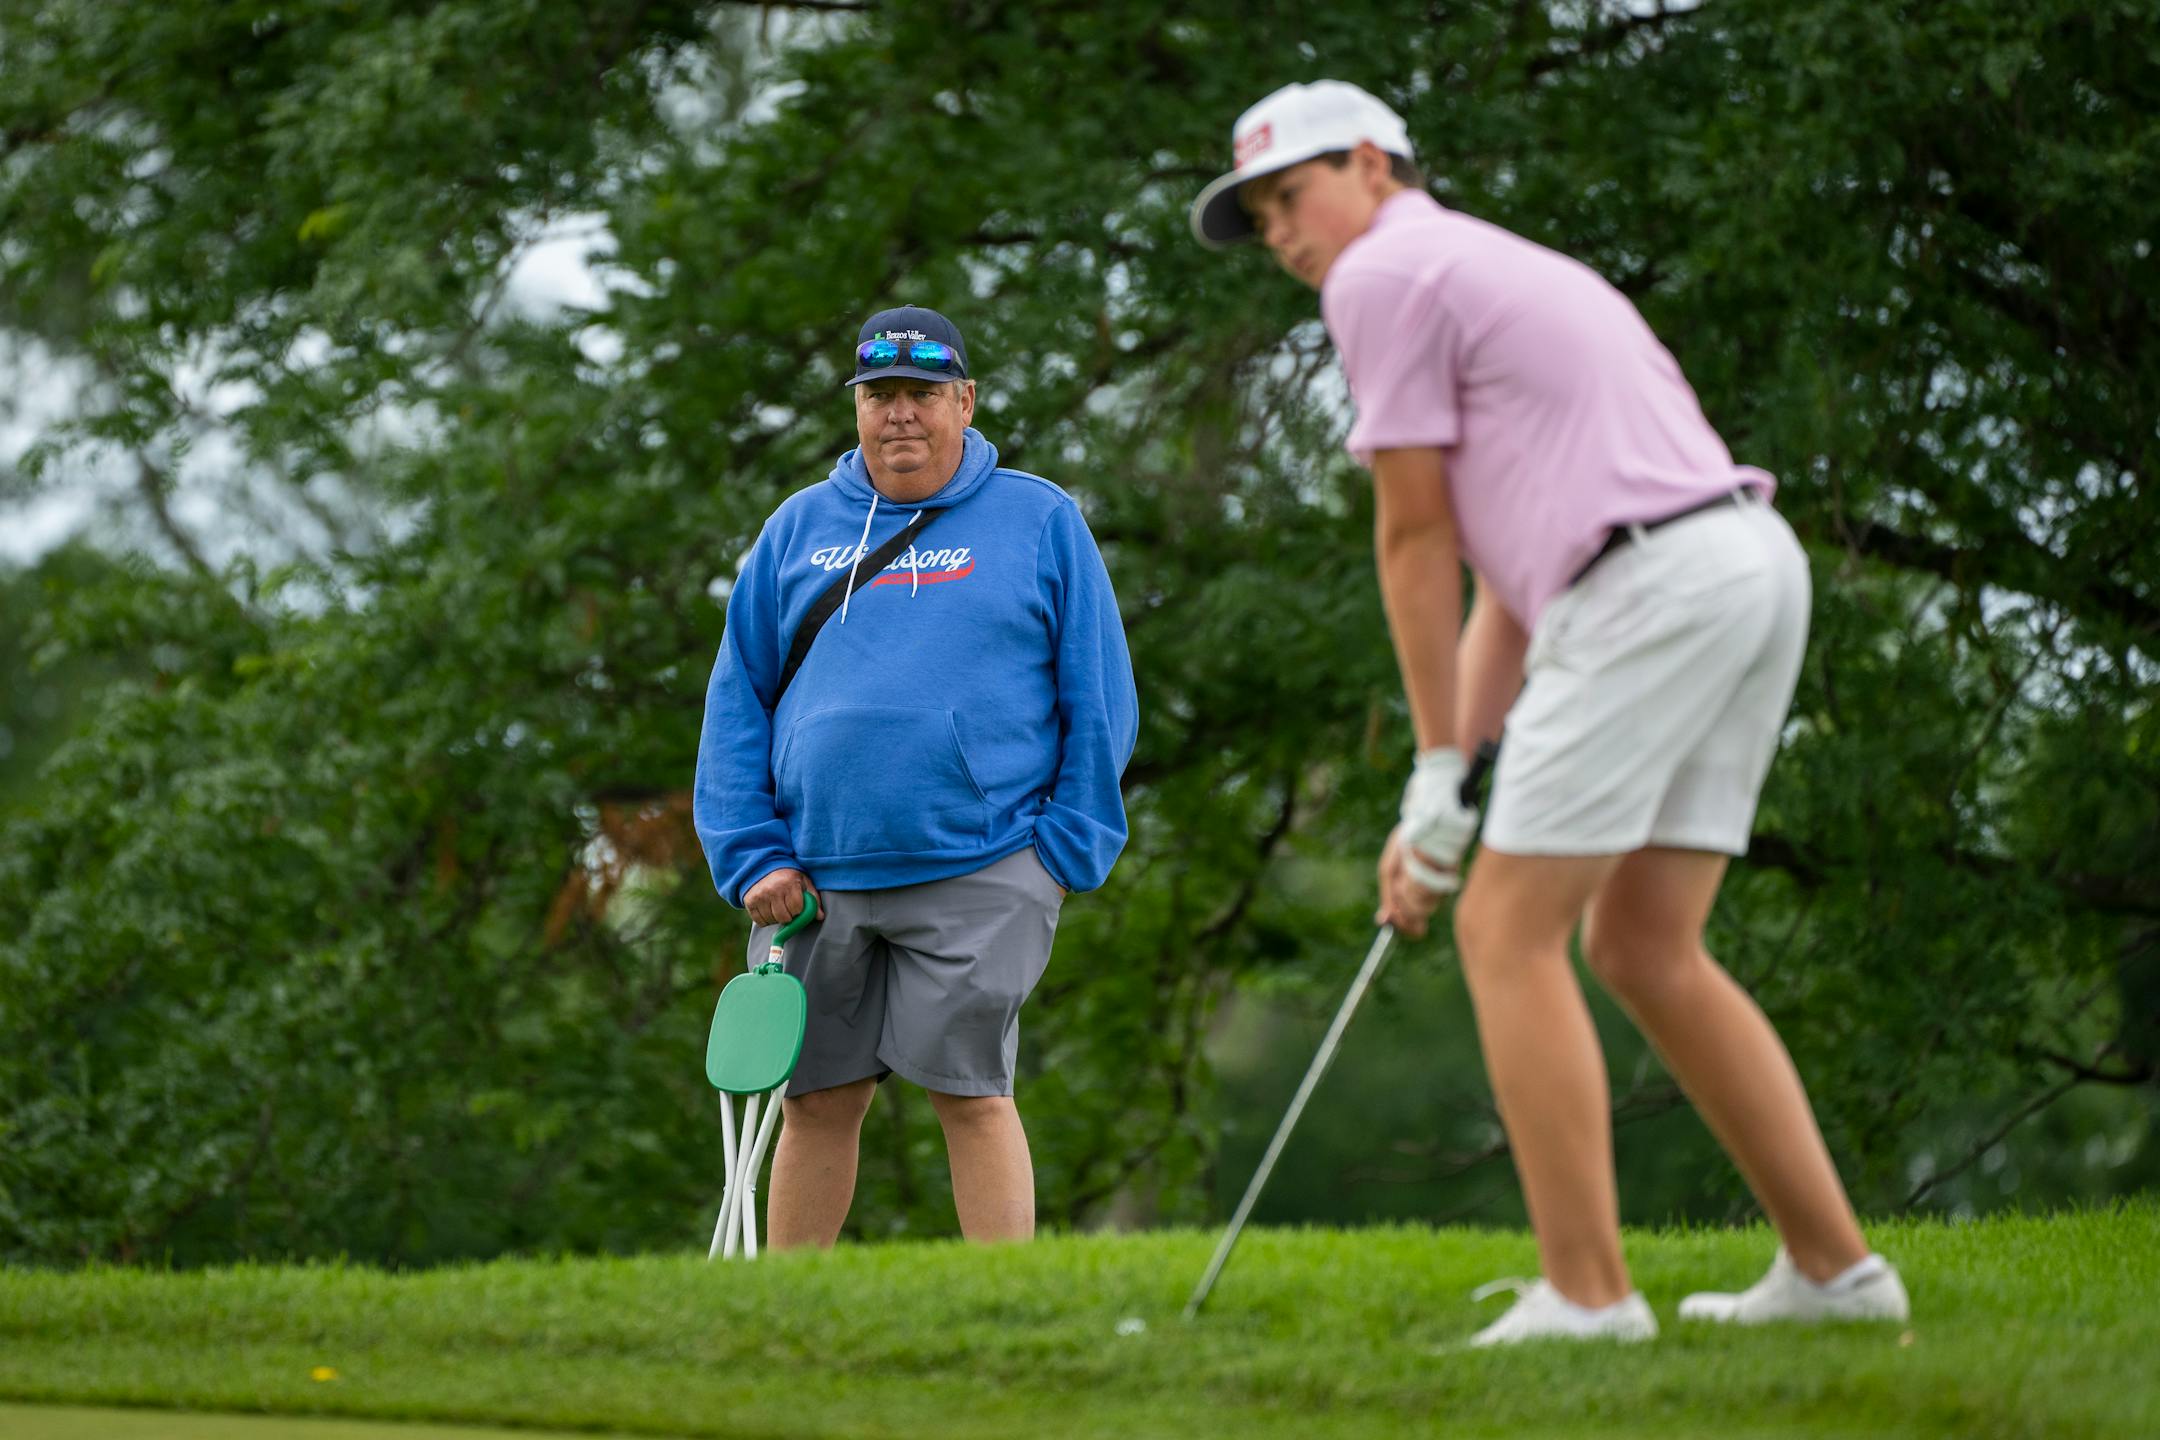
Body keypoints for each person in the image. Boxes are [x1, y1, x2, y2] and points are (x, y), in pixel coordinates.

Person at [1191, 81, 1908, 1345]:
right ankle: (1838, 1274)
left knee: (1508, 929)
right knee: (1641, 945)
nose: (1283, 236)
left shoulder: (1385, 276)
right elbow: (1514, 595)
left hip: (1650, 590)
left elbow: (1414, 538)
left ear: (1370, 164)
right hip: (1739, 568)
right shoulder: (1480, 267)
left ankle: (1588, 1297)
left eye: (1291, 197)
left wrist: (1427, 769)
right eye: (1259, 216)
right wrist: (1452, 787)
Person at [694, 305, 1138, 1247]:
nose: (901, 414)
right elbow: (736, 702)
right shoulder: (796, 529)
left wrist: (1061, 852)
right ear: (857, 408)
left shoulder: (1039, 518)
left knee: (971, 1097)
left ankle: (1000, 1314)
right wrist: (750, 857)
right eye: (880, 395)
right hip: (811, 882)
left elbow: (1098, 695)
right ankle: (788, 1322)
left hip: (982, 869)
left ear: (965, 401)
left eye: (922, 394)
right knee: (816, 1102)